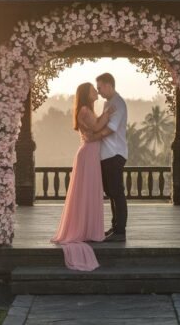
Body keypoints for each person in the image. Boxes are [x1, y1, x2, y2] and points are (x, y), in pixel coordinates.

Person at [51, 82, 114, 271]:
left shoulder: (88, 109)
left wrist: (102, 127)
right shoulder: (85, 110)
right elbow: (95, 129)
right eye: (93, 90)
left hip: (91, 154)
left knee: (91, 191)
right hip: (87, 154)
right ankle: (84, 229)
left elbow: (94, 133)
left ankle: (90, 229)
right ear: (86, 94)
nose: (96, 91)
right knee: (86, 192)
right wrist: (107, 117)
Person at [95, 73, 128, 242]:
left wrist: (94, 136)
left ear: (108, 85)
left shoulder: (118, 103)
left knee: (117, 192)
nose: (98, 91)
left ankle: (120, 231)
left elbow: (111, 128)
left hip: (115, 153)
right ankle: (115, 226)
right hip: (106, 155)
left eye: (100, 87)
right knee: (111, 192)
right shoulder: (108, 102)